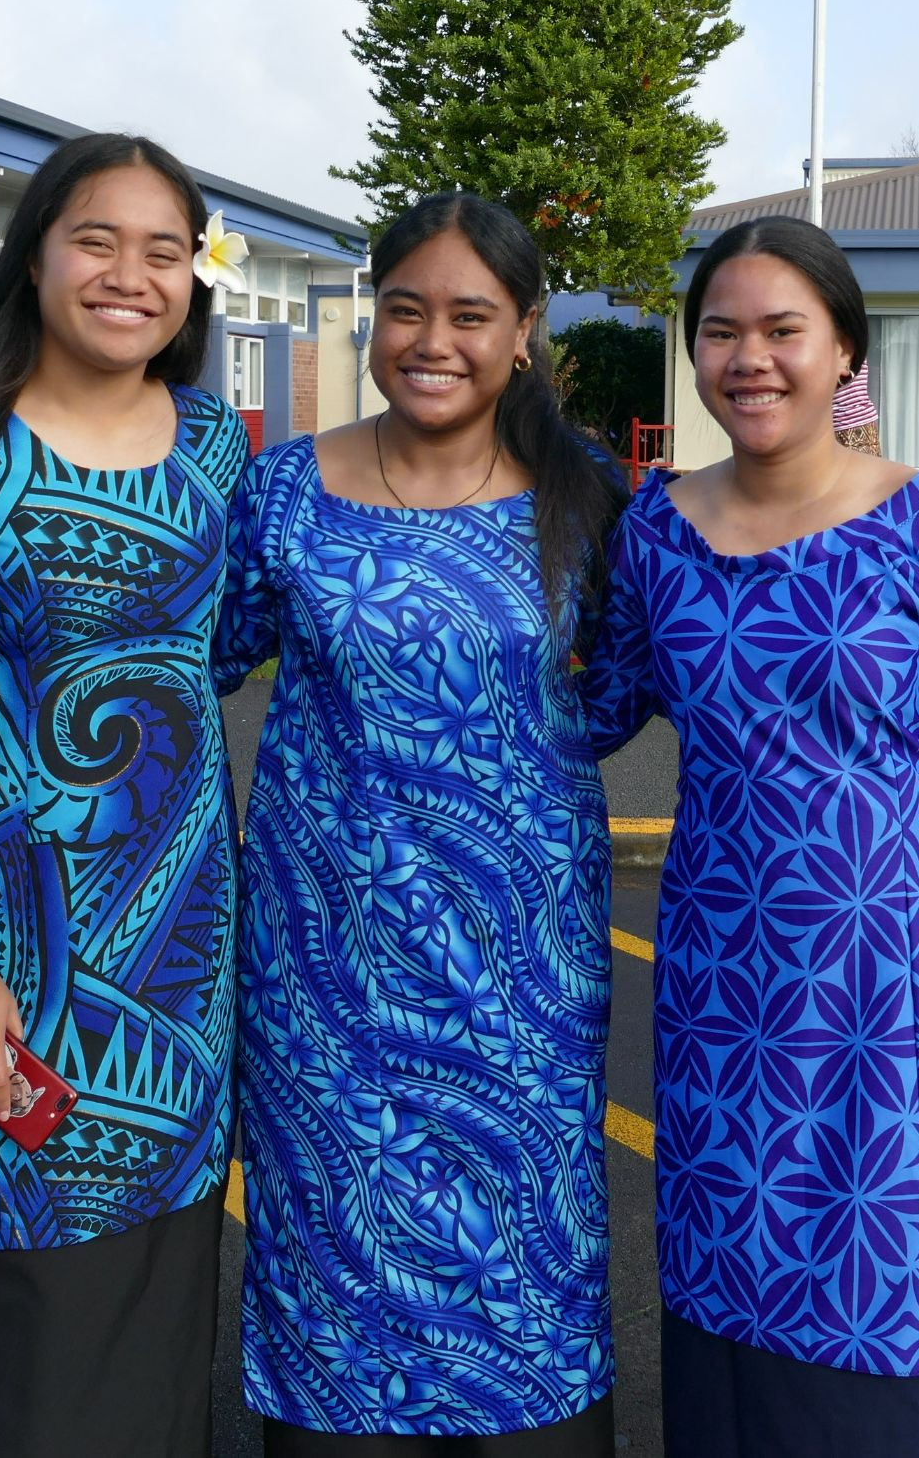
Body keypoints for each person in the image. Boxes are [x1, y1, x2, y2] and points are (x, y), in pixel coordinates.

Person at [582, 215, 919, 1458]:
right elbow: (589, 706)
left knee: (900, 1269)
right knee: (728, 1277)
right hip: (720, 988)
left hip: (891, 989)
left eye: (783, 330)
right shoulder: (657, 532)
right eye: (721, 332)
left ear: (843, 348)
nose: (752, 358)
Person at [0, 132, 249, 1457]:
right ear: (37, 253)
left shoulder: (213, 451)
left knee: (160, 1306)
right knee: (26, 1317)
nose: (131, 275)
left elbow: (220, 652)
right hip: (3, 959)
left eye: (164, 250)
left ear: (194, 276)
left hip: (183, 960)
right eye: (97, 240)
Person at [213, 191, 630, 1455]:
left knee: (525, 1247)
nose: (431, 340)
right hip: (323, 969)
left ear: (522, 334)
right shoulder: (284, 490)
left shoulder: (588, 497)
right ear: (370, 317)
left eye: (469, 314)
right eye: (405, 309)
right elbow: (191, 665)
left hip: (520, 966)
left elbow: (633, 686)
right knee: (334, 1242)